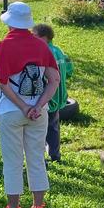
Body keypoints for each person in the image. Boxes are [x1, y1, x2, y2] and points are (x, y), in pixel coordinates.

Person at [0, 2, 60, 208]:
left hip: (11, 110)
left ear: (9, 22)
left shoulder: (2, 47)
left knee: (12, 160)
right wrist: (38, 105)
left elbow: (3, 82)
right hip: (38, 112)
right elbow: (54, 79)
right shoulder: (42, 46)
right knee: (36, 157)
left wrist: (23, 106)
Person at [31, 23, 73, 163]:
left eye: (34, 36)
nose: (32, 39)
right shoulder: (59, 51)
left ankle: (40, 158)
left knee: (41, 127)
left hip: (48, 95)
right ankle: (55, 155)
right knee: (54, 127)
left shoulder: (43, 52)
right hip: (60, 95)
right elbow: (69, 70)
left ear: (44, 37)